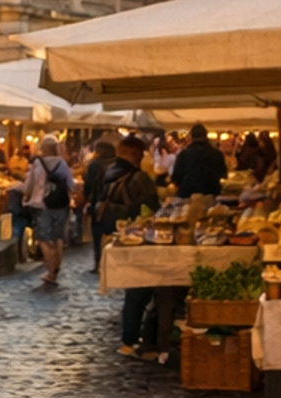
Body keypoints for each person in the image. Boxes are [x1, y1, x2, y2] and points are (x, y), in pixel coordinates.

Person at [103, 135, 167, 358]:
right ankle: (132, 338)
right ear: (132, 154)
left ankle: (130, 337)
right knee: (140, 290)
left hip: (119, 237)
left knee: (133, 289)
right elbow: (153, 207)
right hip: (141, 240)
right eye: (139, 155)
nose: (141, 159)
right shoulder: (139, 178)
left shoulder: (107, 173)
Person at [23, 133, 75, 288]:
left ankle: (51, 272)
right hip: (61, 205)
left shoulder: (37, 164)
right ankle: (56, 268)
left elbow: (29, 185)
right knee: (57, 236)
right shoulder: (63, 164)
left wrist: (26, 197)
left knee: (44, 238)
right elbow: (71, 185)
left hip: (42, 205)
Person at [81, 136, 121, 273]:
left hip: (98, 202)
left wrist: (87, 199)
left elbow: (88, 184)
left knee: (97, 234)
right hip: (116, 203)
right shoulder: (118, 164)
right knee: (115, 233)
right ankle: (114, 262)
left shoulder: (94, 164)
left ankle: (98, 262)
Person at [171, 123, 228, 199]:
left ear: (191, 137)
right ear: (206, 136)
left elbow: (176, 177)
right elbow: (223, 174)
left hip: (187, 195)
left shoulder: (183, 154)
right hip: (211, 194)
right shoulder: (217, 154)